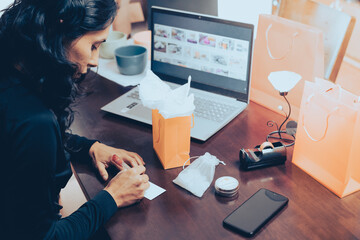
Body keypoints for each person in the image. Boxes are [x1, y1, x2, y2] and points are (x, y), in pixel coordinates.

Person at [0, 0, 150, 239]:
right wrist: (113, 197)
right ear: (61, 27)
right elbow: (44, 236)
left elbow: (15, 139)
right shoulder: (34, 122)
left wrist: (90, 147)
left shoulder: (11, 60)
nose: (95, 61)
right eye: (94, 45)